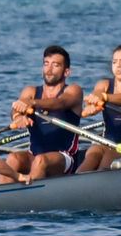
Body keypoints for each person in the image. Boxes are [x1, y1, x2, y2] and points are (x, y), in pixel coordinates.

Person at [7, 45, 85, 182]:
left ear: (66, 72)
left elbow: (60, 103)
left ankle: (32, 200)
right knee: (13, 159)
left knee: (40, 160)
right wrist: (18, 117)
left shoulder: (74, 91)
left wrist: (33, 104)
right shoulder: (30, 91)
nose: (49, 70)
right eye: (46, 64)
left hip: (65, 158)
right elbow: (17, 107)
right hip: (34, 155)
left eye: (55, 65)